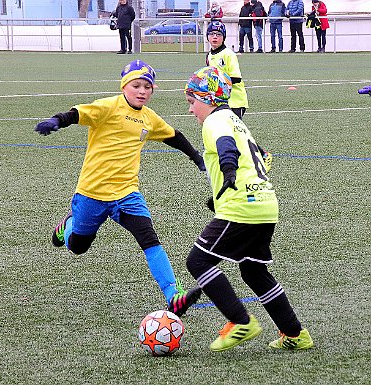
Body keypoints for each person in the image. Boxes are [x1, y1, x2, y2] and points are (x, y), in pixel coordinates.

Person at [34, 60, 204, 317]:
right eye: (136, 85)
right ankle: (66, 227)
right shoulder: (108, 106)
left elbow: (173, 136)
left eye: (148, 87)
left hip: (127, 194)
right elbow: (78, 112)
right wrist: (57, 120)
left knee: (149, 239)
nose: (142, 91)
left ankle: (174, 295)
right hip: (93, 193)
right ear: (125, 86)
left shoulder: (149, 117)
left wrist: (197, 158)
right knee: (78, 246)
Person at [184, 66, 314, 352]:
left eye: (192, 102)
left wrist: (228, 172)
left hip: (243, 205)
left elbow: (226, 147)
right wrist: (221, 193)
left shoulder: (215, 121)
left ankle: (240, 321)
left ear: (207, 98)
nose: (191, 110)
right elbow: (262, 156)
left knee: (197, 261)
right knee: (253, 272)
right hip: (266, 204)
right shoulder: (235, 119)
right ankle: (295, 334)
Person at [206, 21, 273, 171]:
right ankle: (237, 161)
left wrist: (218, 80)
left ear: (224, 37)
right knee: (229, 133)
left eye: (218, 34)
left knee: (238, 134)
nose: (215, 37)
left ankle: (263, 155)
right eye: (211, 34)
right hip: (221, 102)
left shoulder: (228, 54)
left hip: (236, 100)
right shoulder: (210, 55)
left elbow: (236, 78)